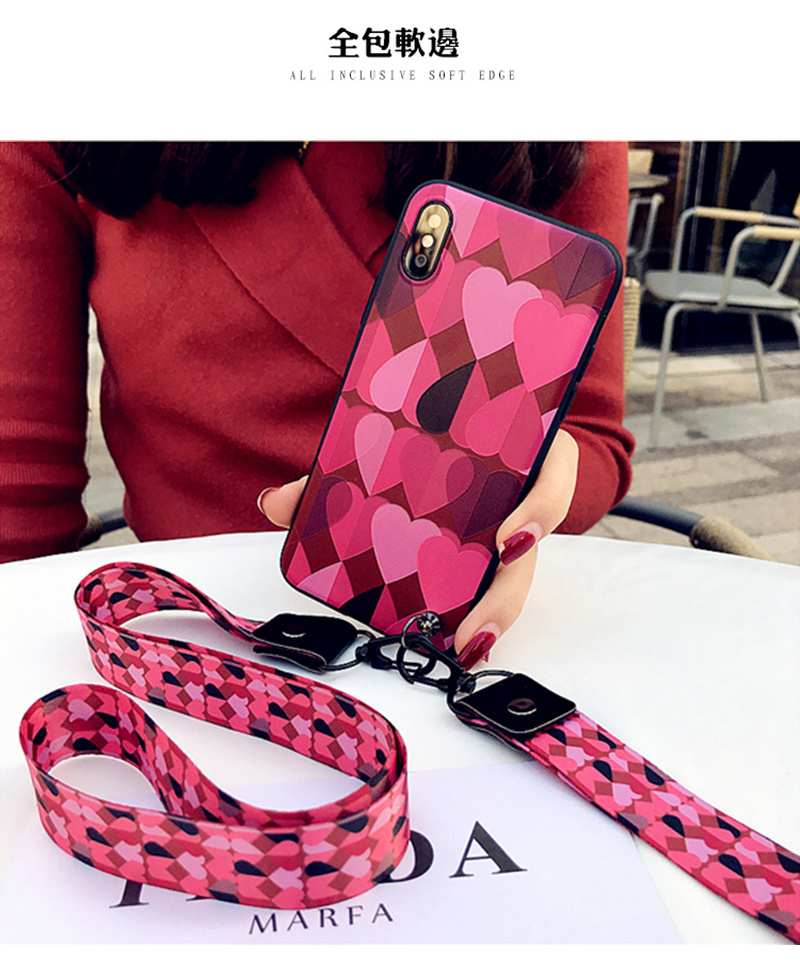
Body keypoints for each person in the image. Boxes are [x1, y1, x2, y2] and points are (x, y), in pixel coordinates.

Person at [0, 141, 634, 666]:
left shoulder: (552, 123)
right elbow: (16, 494)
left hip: (469, 643)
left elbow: (592, 433)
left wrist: (531, 491)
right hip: (185, 646)